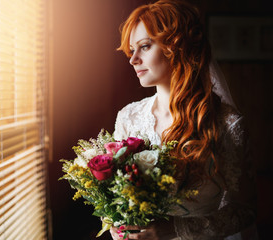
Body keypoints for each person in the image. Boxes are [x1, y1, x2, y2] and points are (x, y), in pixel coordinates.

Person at [110, 0, 258, 239]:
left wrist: (175, 229)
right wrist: (117, 226)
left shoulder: (228, 125)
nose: (133, 59)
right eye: (131, 50)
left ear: (176, 47)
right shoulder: (128, 117)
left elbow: (245, 210)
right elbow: (116, 197)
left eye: (144, 46)